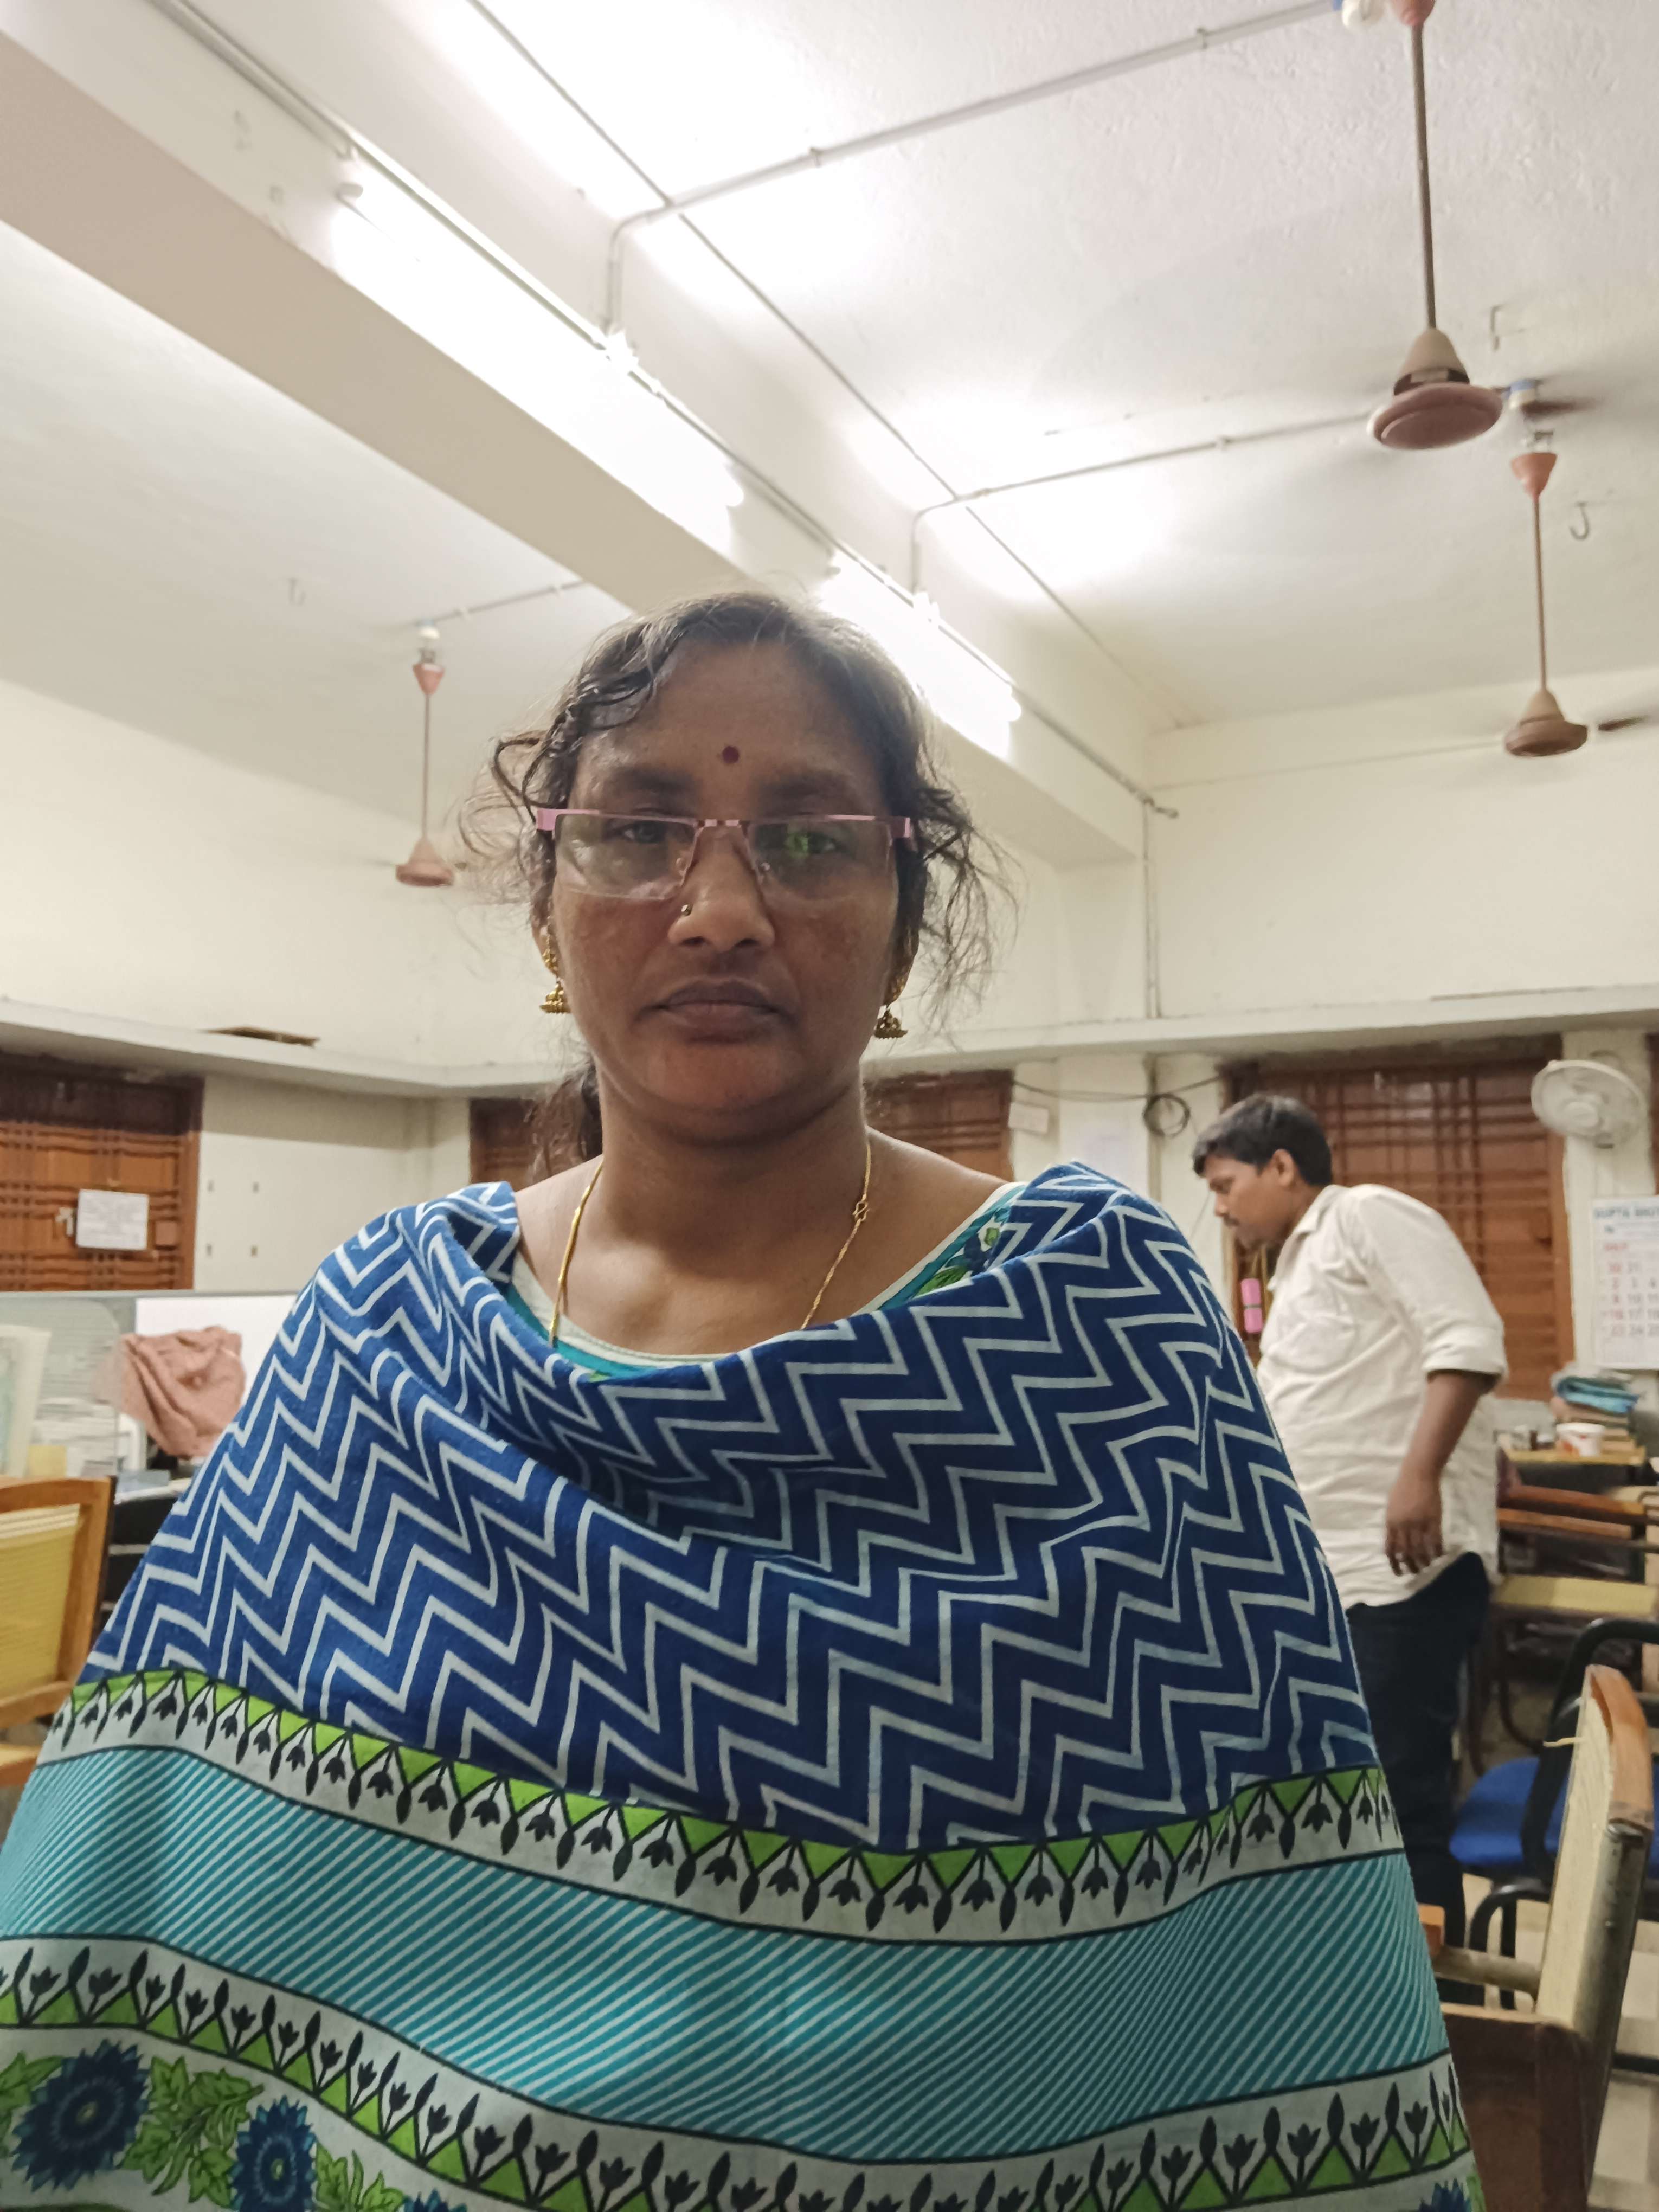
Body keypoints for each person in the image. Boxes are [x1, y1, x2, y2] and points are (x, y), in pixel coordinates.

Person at [0, 597, 1477, 2212]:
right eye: (638, 833)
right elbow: (163, 1845)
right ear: (549, 915)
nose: (715, 911)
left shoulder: (1088, 1317)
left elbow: (1260, 1904)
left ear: (901, 934)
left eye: (810, 842)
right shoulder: (389, 1323)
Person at [1193, 1092, 1506, 1952]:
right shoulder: (1295, 1264)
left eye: (1226, 1185)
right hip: (1343, 1572)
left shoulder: (1367, 1215)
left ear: (1281, 1167)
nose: (1220, 1208)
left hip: (1400, 1566)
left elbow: (1466, 1342)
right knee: (1355, 1793)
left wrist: (1419, 1478)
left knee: (1402, 1794)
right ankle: (1365, 1973)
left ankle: (1434, 2000)